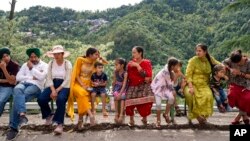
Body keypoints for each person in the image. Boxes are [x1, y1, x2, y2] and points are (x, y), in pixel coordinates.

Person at [6, 48, 48, 140]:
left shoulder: (44, 65)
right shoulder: (25, 65)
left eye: (35, 57)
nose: (33, 59)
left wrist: (32, 68)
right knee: (17, 89)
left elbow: (41, 78)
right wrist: (31, 77)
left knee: (19, 98)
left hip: (36, 87)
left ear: (38, 57)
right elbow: (18, 77)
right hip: (23, 84)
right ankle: (22, 115)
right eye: (31, 57)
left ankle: (13, 128)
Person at [37, 45, 72, 134]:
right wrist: (53, 90)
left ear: (62, 54)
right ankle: (49, 115)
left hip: (64, 85)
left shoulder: (67, 63)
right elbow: (48, 77)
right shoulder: (51, 63)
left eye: (58, 54)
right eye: (55, 54)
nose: (56, 56)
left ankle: (59, 124)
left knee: (60, 99)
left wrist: (57, 90)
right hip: (52, 84)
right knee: (41, 99)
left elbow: (68, 79)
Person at [184, 44, 220, 124]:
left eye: (199, 51)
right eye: (196, 51)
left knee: (208, 95)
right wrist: (190, 87)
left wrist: (227, 67)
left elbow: (220, 65)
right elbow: (188, 75)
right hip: (192, 84)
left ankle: (203, 116)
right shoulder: (193, 61)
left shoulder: (210, 59)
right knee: (191, 95)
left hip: (204, 85)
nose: (197, 52)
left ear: (205, 52)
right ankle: (198, 116)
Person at [67, 47, 100, 130]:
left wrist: (94, 83)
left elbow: (96, 74)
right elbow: (76, 74)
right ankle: (91, 115)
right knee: (82, 93)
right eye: (96, 54)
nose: (97, 56)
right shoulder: (80, 60)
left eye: (98, 54)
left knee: (82, 98)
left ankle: (80, 122)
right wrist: (82, 84)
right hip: (77, 83)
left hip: (88, 84)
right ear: (90, 55)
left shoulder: (95, 62)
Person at [125, 46, 154, 126]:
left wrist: (138, 66)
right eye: (132, 52)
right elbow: (130, 76)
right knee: (129, 99)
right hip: (133, 85)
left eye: (134, 52)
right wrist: (143, 77)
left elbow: (148, 75)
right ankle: (131, 120)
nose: (133, 54)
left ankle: (144, 119)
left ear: (140, 53)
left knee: (147, 99)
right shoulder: (130, 64)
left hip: (144, 85)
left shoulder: (146, 62)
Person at [151, 57, 182, 127]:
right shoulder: (166, 72)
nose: (178, 67)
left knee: (171, 98)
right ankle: (158, 120)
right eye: (177, 66)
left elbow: (172, 84)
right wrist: (176, 76)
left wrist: (176, 75)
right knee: (158, 104)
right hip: (158, 89)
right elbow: (171, 85)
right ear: (172, 66)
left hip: (165, 88)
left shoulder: (171, 71)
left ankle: (166, 114)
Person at [223, 50, 250, 125]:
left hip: (246, 85)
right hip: (235, 83)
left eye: (239, 62)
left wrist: (240, 73)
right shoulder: (231, 60)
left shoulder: (248, 63)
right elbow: (224, 63)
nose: (238, 64)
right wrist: (229, 69)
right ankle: (244, 116)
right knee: (232, 96)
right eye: (236, 63)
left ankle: (238, 117)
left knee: (247, 99)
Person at [0, 47, 19, 117]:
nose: (6, 58)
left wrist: (4, 69)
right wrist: (8, 80)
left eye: (7, 56)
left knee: (1, 101)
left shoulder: (15, 65)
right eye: (3, 57)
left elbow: (12, 82)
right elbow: (10, 80)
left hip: (8, 87)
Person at [112, 58, 128, 124]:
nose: (115, 66)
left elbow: (124, 84)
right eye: (115, 65)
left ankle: (121, 115)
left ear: (122, 65)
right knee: (116, 97)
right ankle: (116, 114)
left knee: (122, 98)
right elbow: (114, 81)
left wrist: (120, 93)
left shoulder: (125, 73)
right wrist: (113, 88)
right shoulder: (116, 72)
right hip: (117, 87)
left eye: (116, 65)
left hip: (123, 88)